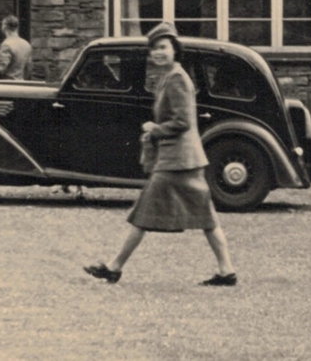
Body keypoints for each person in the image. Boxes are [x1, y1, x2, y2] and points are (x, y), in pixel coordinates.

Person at [84, 21, 237, 287]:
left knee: (144, 214)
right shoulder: (169, 76)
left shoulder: (177, 79)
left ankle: (114, 267)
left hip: (178, 161)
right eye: (154, 48)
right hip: (182, 159)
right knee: (205, 217)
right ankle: (226, 271)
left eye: (163, 47)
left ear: (174, 50)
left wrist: (155, 128)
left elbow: (183, 122)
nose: (158, 53)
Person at [0, 15, 33, 81]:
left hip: (7, 84)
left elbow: (0, 68)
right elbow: (28, 67)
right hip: (20, 82)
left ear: (4, 27)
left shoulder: (7, 44)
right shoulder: (26, 44)